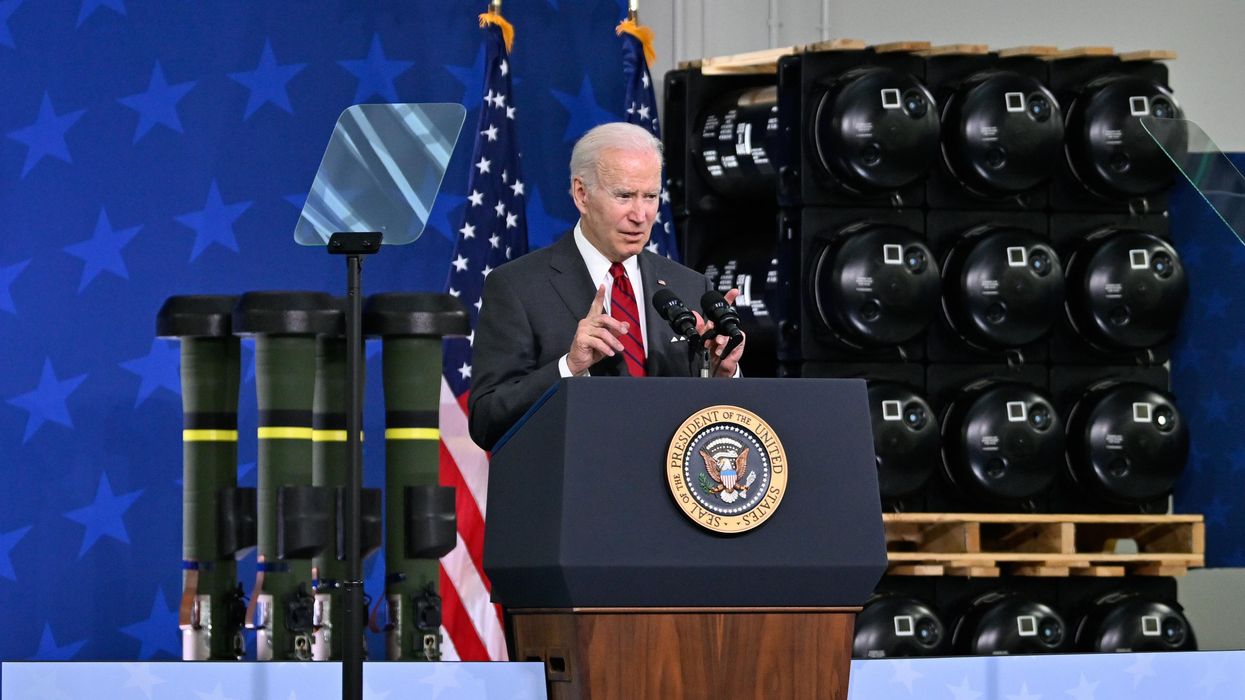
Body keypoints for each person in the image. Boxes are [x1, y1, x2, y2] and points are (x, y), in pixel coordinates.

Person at [468, 122, 745, 450]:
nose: (640, 215)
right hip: (577, 488)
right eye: (625, 196)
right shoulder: (518, 287)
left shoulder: (689, 285)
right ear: (582, 194)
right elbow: (486, 421)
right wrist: (570, 367)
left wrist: (720, 375)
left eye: (651, 197)